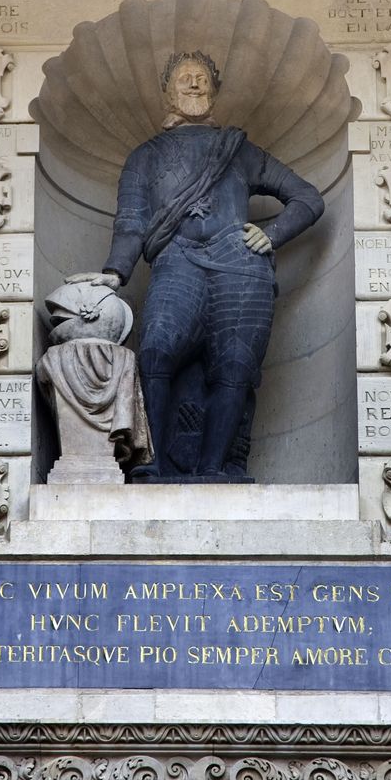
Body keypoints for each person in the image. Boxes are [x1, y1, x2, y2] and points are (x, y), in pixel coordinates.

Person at [69, 50, 324, 481]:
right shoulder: (144, 157)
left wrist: (272, 234)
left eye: (201, 78)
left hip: (239, 263)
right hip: (178, 259)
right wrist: (115, 272)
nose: (193, 84)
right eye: (184, 79)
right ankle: (152, 460)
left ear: (215, 90)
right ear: (167, 92)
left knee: (236, 366)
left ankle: (215, 468)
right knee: (156, 348)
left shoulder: (239, 151)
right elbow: (131, 225)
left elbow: (308, 198)